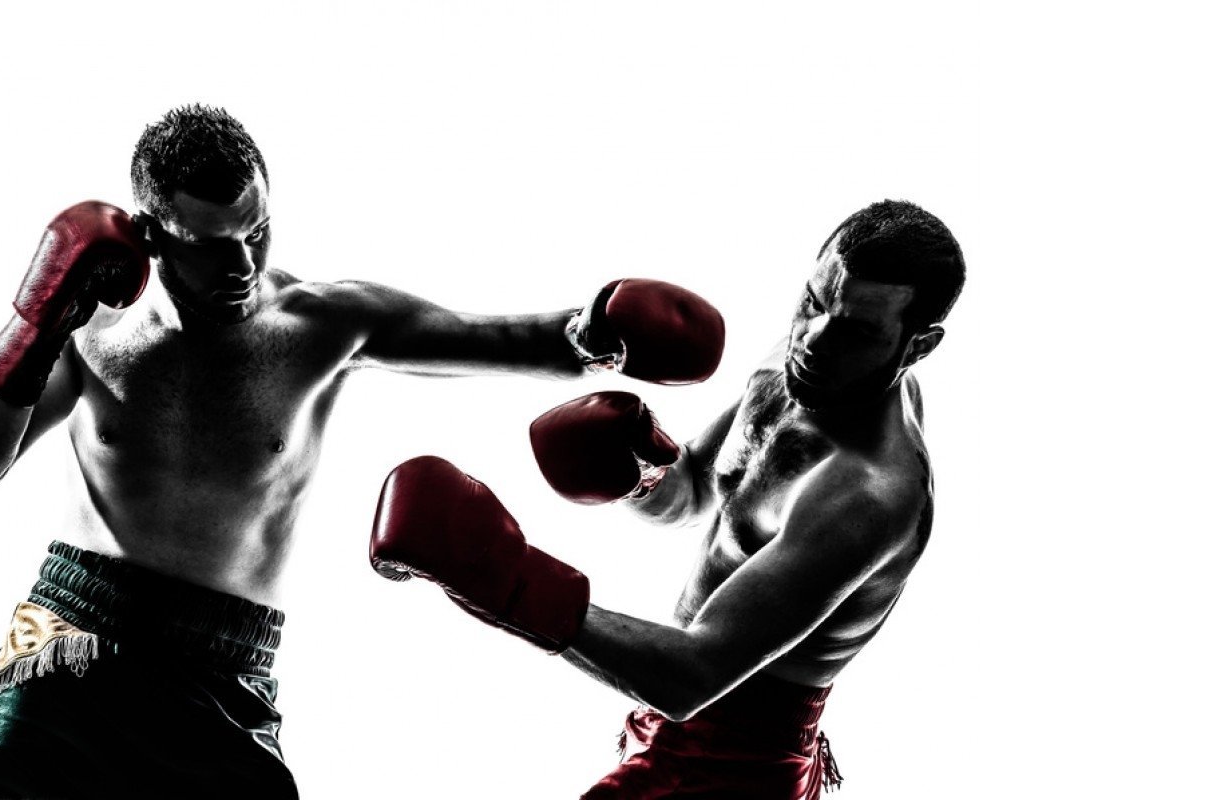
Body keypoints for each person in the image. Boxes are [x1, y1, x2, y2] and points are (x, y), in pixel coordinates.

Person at [0, 104, 725, 799]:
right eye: (211, 244)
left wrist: (600, 331)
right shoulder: (91, 331)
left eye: (257, 230)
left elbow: (503, 338)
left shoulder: (320, 324)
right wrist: (35, 325)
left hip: (225, 672)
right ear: (150, 236)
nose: (244, 265)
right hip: (73, 649)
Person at [370, 199, 964, 798]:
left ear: (919, 346)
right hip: (672, 716)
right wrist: (638, 471)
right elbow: (698, 490)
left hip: (735, 764)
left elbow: (691, 677)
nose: (815, 338)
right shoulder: (800, 368)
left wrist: (502, 576)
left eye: (857, 331)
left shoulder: (868, 495)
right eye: (813, 302)